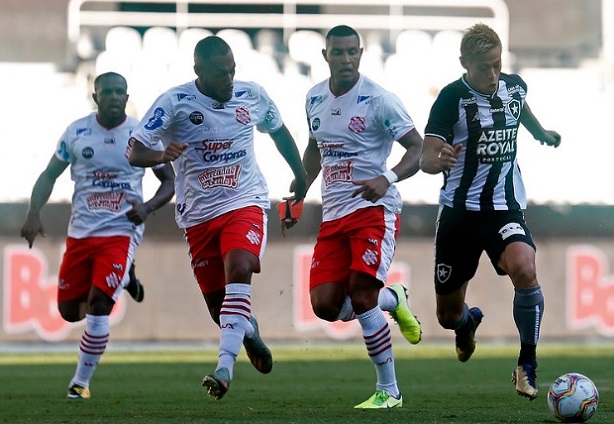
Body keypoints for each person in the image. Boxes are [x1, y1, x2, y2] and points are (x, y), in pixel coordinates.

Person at [128, 36, 308, 401]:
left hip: (245, 201)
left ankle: (224, 368)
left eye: (232, 71)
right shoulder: (174, 103)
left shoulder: (251, 94)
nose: (229, 79)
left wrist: (301, 175)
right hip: (197, 216)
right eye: (220, 73)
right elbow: (135, 150)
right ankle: (249, 332)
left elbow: (279, 131)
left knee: (240, 265)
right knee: (219, 309)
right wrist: (162, 155)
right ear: (199, 71)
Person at [419, 23, 561, 400]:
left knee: (526, 268)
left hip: (504, 208)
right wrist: (439, 158)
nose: (493, 74)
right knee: (447, 316)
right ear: (465, 63)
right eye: (485, 67)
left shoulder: (513, 85)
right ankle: (466, 323)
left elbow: (519, 107)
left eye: (498, 65)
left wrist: (540, 132)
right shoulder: (451, 99)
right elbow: (426, 155)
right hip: (460, 214)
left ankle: (526, 363)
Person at [289, 25, 424, 409]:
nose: (345, 59)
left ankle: (390, 391)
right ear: (326, 55)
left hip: (373, 211)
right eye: (338, 52)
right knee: (325, 305)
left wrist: (388, 177)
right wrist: (300, 190)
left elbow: (416, 147)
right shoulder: (314, 97)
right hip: (333, 216)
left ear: (361, 54)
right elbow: (315, 149)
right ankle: (392, 299)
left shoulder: (380, 99)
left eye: (352, 52)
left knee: (361, 296)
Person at [20, 72, 175, 399]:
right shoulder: (76, 132)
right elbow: (49, 174)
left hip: (122, 230)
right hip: (81, 233)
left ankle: (80, 383)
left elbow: (169, 182)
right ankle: (128, 277)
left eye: (121, 92)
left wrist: (147, 208)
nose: (115, 97)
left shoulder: (141, 135)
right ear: (96, 97)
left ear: (127, 95)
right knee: (68, 311)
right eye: (108, 92)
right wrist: (34, 212)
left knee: (99, 304)